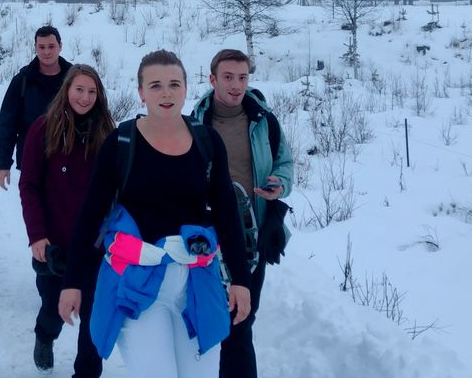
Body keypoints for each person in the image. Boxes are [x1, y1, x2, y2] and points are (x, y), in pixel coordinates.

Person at [58, 50, 251, 378]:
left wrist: (241, 280)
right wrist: (73, 282)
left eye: (174, 84)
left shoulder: (207, 141)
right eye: (156, 85)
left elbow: (226, 213)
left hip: (196, 281)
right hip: (140, 284)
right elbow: (90, 215)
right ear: (141, 92)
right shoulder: (121, 142)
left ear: (186, 89)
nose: (166, 93)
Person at [189, 48, 293, 378]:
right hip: (208, 238)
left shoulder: (264, 122)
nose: (237, 85)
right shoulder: (195, 123)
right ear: (213, 79)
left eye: (243, 77)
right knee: (206, 319)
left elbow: (285, 164)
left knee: (241, 320)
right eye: (229, 77)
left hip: (253, 236)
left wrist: (280, 183)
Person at [19, 64, 115, 376]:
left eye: (92, 91)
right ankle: (44, 335)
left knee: (93, 316)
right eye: (79, 90)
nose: (85, 98)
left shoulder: (108, 135)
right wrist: (37, 235)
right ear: (67, 90)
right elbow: (29, 185)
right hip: (54, 246)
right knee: (53, 308)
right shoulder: (43, 128)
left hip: (96, 246)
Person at [0, 26, 72, 190]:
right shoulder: (22, 81)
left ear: (60, 46)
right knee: (35, 212)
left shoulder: (74, 79)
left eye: (51, 46)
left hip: (69, 160)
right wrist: (3, 164)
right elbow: (7, 125)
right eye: (41, 47)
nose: (46, 52)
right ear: (35, 47)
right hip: (32, 160)